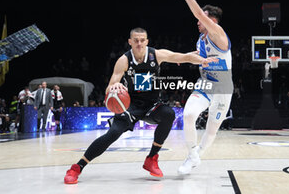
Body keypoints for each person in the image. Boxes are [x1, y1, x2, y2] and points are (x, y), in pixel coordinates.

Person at [63, 27, 217, 184]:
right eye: (136, 40)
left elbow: (182, 57)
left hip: (151, 105)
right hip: (130, 106)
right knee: (112, 134)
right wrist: (114, 88)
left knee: (169, 114)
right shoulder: (124, 60)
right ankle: (77, 167)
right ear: (130, 42)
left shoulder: (155, 55)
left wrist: (202, 60)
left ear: (147, 41)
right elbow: (110, 86)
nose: (139, 43)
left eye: (142, 40)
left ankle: (151, 158)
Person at [170, 0, 233, 175]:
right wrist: (178, 58)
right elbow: (194, 55)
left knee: (212, 128)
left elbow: (198, 14)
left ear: (211, 20)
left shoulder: (218, 33)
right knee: (188, 114)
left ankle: (197, 154)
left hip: (223, 89)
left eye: (203, 18)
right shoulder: (201, 39)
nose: (198, 21)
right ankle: (192, 155)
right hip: (205, 83)